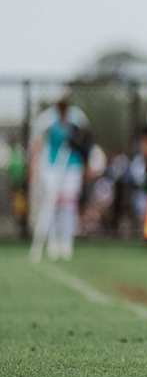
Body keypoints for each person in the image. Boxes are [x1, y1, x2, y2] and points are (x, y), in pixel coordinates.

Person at [29, 94, 92, 261]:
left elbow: (86, 141)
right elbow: (38, 142)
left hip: (72, 166)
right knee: (51, 204)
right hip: (52, 166)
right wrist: (34, 168)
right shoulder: (48, 119)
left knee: (68, 205)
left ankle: (66, 242)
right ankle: (53, 242)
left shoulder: (77, 117)